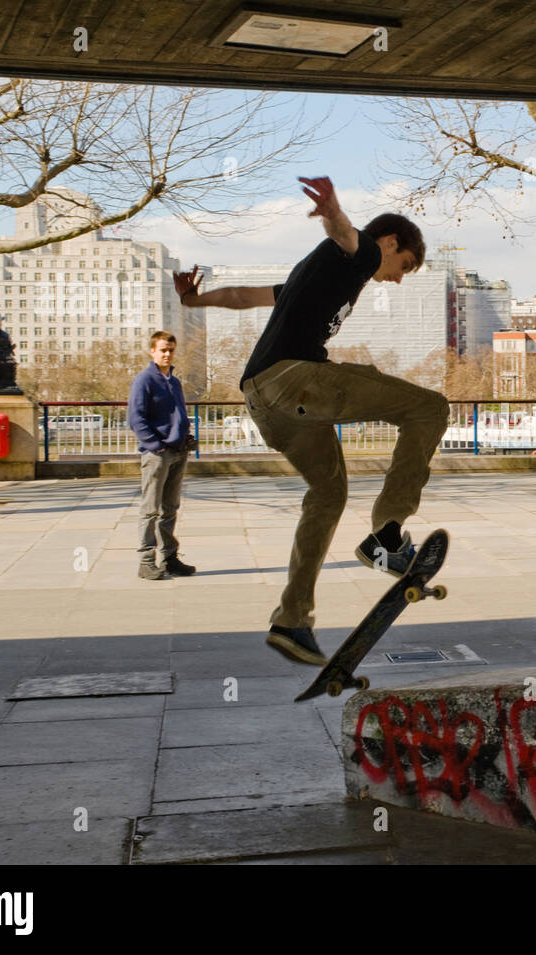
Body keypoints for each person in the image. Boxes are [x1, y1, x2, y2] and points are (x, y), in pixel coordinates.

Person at [178, 176, 444, 666]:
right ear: (389, 244)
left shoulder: (313, 273)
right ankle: (386, 535)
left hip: (264, 404)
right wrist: (331, 209)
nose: (399, 278)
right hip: (294, 380)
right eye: (403, 265)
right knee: (430, 408)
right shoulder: (359, 255)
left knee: (328, 494)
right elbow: (347, 234)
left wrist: (194, 302)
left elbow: (244, 297)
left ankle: (292, 620)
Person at [128, 331, 196, 580]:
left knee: (170, 508)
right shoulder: (144, 380)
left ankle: (169, 558)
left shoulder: (174, 382)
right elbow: (135, 418)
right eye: (163, 350)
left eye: (171, 350)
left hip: (178, 452)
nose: (167, 354)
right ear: (152, 351)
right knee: (150, 510)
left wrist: (185, 436)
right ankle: (146, 561)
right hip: (157, 454)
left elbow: (179, 413)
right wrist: (155, 445)